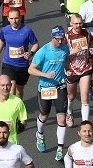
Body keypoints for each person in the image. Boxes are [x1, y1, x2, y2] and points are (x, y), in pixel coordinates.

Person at [29, 26, 70, 160]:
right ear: (52, 38)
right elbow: (31, 69)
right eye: (58, 39)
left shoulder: (65, 48)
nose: (60, 42)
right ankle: (40, 134)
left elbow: (66, 60)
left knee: (61, 118)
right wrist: (45, 74)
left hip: (60, 86)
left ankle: (60, 149)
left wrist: (67, 70)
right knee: (44, 115)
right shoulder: (43, 51)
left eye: (62, 39)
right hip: (46, 88)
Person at [0, 8, 39, 98]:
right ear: (8, 18)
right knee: (11, 88)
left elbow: (35, 44)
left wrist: (31, 53)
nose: (14, 21)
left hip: (22, 65)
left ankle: (19, 107)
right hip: (8, 64)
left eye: (16, 18)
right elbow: (1, 41)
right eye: (11, 18)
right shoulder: (5, 30)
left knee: (20, 91)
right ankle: (10, 110)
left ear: (20, 17)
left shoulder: (27, 30)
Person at [65, 14, 93, 125]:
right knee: (71, 96)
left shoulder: (86, 33)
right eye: (76, 23)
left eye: (80, 23)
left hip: (85, 68)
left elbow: (91, 44)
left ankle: (85, 124)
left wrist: (92, 49)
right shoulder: (66, 36)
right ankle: (69, 112)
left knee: (84, 97)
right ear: (71, 24)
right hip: (72, 69)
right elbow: (61, 54)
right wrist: (70, 53)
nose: (78, 26)